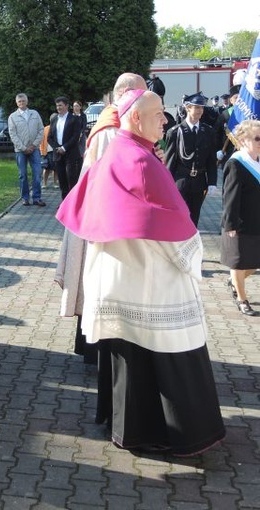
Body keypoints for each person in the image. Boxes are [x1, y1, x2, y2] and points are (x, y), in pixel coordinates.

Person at [56, 89, 225, 456]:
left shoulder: (120, 151)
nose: (165, 120)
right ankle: (179, 432)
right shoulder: (140, 161)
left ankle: (131, 431)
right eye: (159, 113)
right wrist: (194, 260)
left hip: (120, 279)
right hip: (148, 281)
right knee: (167, 354)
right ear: (136, 118)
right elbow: (177, 232)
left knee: (132, 360)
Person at [55, 73, 148, 367]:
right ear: (127, 94)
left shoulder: (116, 121)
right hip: (106, 219)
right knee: (102, 286)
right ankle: (101, 352)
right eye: (143, 94)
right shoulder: (113, 127)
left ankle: (98, 349)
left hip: (105, 216)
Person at [220, 120, 260, 316]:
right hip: (240, 223)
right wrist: (230, 224)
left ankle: (235, 280)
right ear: (243, 140)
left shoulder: (258, 161)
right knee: (239, 263)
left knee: (253, 263)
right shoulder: (237, 163)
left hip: (257, 221)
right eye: (257, 138)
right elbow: (230, 197)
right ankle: (242, 299)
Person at [165, 93, 219, 227]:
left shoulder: (208, 131)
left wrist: (212, 182)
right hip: (181, 180)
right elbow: (170, 161)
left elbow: (211, 160)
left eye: (202, 108)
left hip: (199, 181)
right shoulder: (175, 132)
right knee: (181, 216)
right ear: (188, 108)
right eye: (197, 107)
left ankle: (192, 243)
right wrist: (167, 183)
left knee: (195, 216)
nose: (200, 111)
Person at [6, 93, 46, 206]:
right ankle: (25, 198)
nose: (22, 103)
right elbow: (13, 134)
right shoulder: (13, 117)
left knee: (37, 173)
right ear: (16, 103)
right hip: (20, 151)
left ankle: (37, 198)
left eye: (23, 101)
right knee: (22, 175)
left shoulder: (35, 114)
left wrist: (34, 145)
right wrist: (23, 148)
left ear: (27, 101)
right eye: (19, 102)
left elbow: (41, 130)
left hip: (35, 149)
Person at [47, 96, 82, 198]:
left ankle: (73, 203)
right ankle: (64, 203)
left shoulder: (74, 119)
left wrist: (64, 147)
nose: (58, 108)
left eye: (60, 105)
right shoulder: (54, 119)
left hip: (70, 154)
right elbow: (49, 137)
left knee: (72, 180)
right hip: (58, 155)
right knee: (62, 181)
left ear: (67, 106)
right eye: (57, 106)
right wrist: (57, 148)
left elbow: (75, 137)